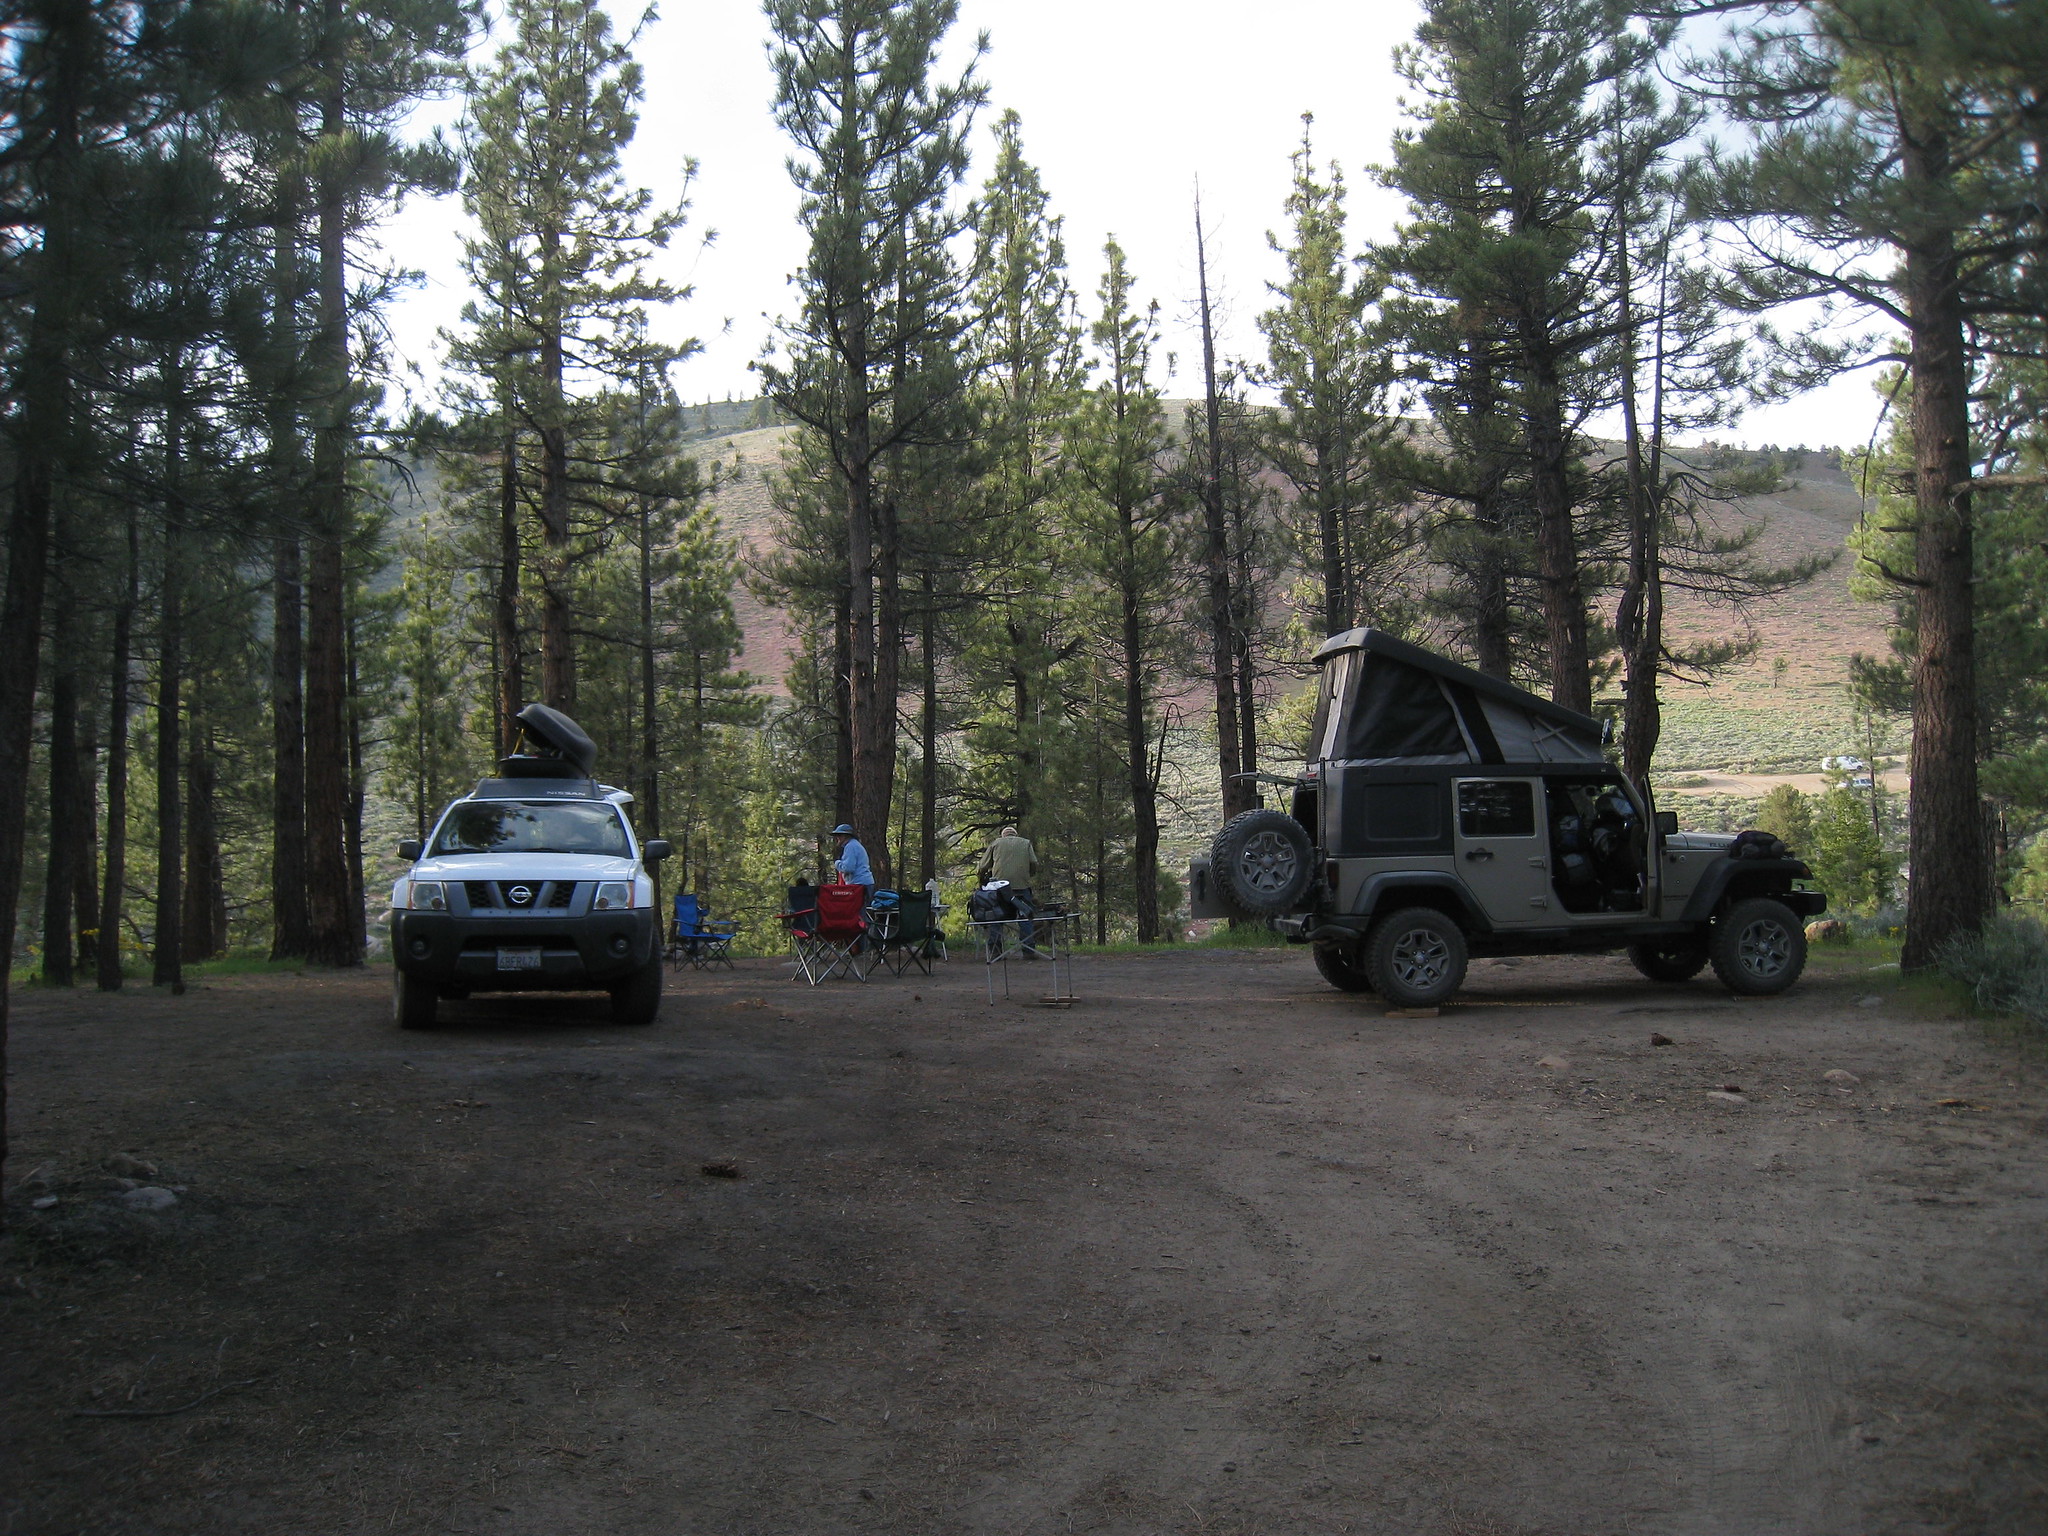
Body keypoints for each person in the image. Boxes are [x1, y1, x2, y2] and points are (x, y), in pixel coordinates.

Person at [977, 824, 1040, 957]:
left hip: (1000, 888)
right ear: (1015, 835)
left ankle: (995, 950)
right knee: (1025, 916)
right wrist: (1028, 875)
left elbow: (983, 866)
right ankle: (1029, 950)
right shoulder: (1026, 843)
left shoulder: (996, 843)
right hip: (1022, 886)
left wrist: (982, 879)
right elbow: (1034, 863)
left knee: (995, 916)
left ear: (1003, 835)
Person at [829, 824, 873, 902]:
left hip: (858, 885)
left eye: (840, 835)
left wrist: (837, 863)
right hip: (863, 883)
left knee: (857, 912)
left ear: (846, 836)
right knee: (863, 910)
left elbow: (848, 868)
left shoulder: (850, 846)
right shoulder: (854, 845)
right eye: (836, 835)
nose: (837, 837)